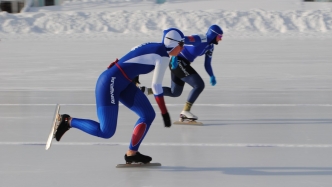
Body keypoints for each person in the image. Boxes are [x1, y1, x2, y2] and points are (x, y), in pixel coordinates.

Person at [54, 28, 189, 164]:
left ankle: (132, 153)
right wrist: (164, 112)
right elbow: (156, 86)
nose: (182, 48)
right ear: (173, 43)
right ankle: (68, 121)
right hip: (109, 83)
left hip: (123, 82)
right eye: (181, 45)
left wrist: (129, 72)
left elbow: (135, 50)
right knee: (106, 131)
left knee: (148, 115)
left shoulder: (155, 46)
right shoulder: (163, 56)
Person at [140, 24, 223, 120]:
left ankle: (146, 91)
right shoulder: (200, 38)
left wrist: (212, 76)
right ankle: (186, 111)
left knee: (175, 92)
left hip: (184, 64)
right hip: (178, 61)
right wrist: (174, 56)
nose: (220, 39)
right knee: (199, 85)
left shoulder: (210, 47)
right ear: (213, 35)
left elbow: (207, 64)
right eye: (220, 36)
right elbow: (181, 40)